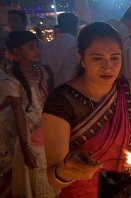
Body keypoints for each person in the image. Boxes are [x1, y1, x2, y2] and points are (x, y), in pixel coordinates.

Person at [42, 22, 131, 198]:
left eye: (115, 57)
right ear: (81, 58)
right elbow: (53, 178)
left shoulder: (128, 91)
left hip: (127, 189)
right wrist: (66, 171)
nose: (108, 66)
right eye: (97, 58)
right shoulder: (61, 101)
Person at [3, 30, 57, 198]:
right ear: (18, 52)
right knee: (42, 178)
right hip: (32, 135)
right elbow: (19, 115)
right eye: (31, 47)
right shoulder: (12, 81)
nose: (37, 51)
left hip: (51, 129)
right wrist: (26, 148)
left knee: (56, 171)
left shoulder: (42, 71)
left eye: (36, 46)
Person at [42, 13, 79, 87]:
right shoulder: (77, 44)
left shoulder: (47, 46)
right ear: (75, 27)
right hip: (74, 88)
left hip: (54, 89)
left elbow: (45, 69)